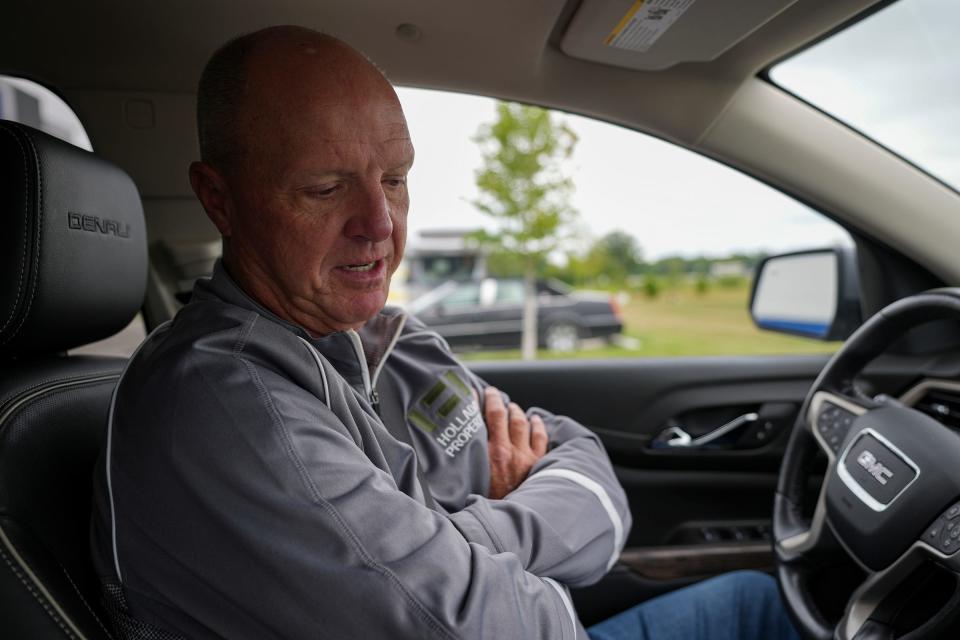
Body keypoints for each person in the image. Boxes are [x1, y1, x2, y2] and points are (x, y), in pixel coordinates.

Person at [90, 25, 799, 640]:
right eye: (325, 188)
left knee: (755, 601)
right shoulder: (227, 403)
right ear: (221, 199)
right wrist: (493, 538)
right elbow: (518, 628)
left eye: (394, 179)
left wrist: (462, 544)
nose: (381, 224)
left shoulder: (393, 339)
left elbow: (589, 469)